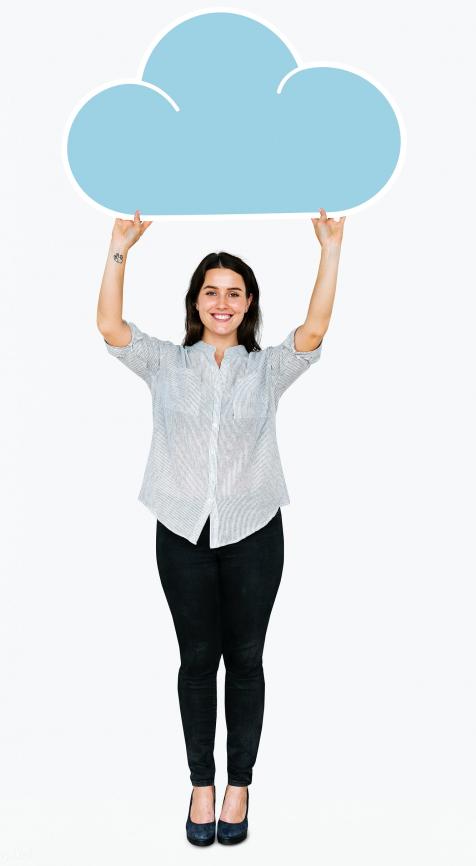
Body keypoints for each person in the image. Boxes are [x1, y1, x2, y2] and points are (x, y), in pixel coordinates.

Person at [97, 208, 345, 845]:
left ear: (249, 302)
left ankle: (239, 786)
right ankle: (200, 784)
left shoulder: (267, 370)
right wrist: (119, 248)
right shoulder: (166, 365)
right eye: (212, 291)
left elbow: (314, 329)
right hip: (181, 532)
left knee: (246, 659)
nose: (223, 302)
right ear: (196, 303)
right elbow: (110, 326)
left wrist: (330, 250)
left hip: (254, 532)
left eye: (235, 292)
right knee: (195, 659)